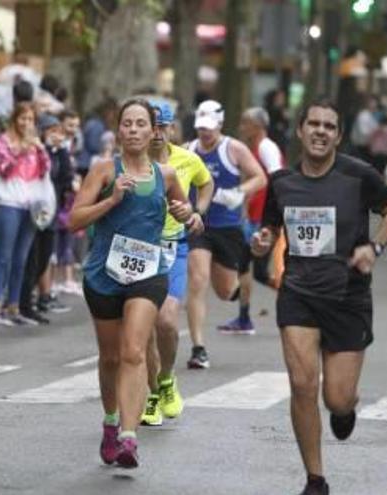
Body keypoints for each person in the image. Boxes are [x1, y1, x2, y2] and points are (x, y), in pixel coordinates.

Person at [251, 99, 387, 495]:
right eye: (314, 124)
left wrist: (375, 248)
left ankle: (345, 407)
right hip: (298, 293)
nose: (321, 131)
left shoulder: (359, 176)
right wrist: (263, 241)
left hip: (347, 296)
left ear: (338, 135)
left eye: (329, 126)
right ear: (300, 131)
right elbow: (268, 228)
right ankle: (315, 479)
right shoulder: (282, 181)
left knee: (335, 398)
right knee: (303, 386)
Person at [68, 98, 193, 468]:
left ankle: (128, 436)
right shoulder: (104, 171)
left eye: (142, 124)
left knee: (134, 352)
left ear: (154, 131)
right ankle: (110, 422)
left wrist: (190, 216)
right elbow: (74, 220)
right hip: (104, 275)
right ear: (118, 130)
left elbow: (184, 212)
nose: (135, 130)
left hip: (148, 273)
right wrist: (112, 199)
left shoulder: (166, 175)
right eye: (128, 124)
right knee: (109, 358)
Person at [140, 100, 213, 426]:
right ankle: (153, 394)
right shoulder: (132, 160)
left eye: (162, 127)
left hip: (174, 248)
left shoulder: (187, 159)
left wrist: (199, 210)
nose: (156, 133)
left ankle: (167, 379)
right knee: (144, 330)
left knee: (167, 322)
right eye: (151, 126)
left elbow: (206, 181)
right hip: (139, 248)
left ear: (171, 129)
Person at [185, 99, 266, 369]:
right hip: (200, 225)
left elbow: (260, 177)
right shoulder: (189, 150)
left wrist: (239, 192)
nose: (204, 133)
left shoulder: (233, 148)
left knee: (224, 290)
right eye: (200, 128)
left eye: (209, 127)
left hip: (228, 228)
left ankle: (237, 287)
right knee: (197, 279)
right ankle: (198, 348)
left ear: (220, 124)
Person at [217, 107, 283, 334]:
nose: (241, 127)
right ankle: (244, 318)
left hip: (262, 220)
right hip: (253, 217)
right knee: (247, 266)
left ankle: (297, 298)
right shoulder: (253, 148)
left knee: (255, 270)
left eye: (246, 123)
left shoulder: (266, 147)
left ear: (258, 126)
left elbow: (277, 179)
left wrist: (273, 216)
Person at [0, 102, 50, 326]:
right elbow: (2, 168)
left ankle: (14, 307)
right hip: (9, 203)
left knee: (21, 259)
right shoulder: (4, 141)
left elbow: (45, 169)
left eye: (30, 119)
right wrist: (19, 150)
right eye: (22, 119)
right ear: (15, 119)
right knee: (4, 256)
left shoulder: (35, 144)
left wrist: (40, 149)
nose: (26, 123)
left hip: (31, 206)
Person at [17, 113, 73, 324]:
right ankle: (23, 302)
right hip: (33, 209)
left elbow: (66, 178)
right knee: (31, 258)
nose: (56, 135)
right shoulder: (37, 150)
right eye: (51, 131)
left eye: (58, 131)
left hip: (51, 210)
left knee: (43, 258)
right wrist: (48, 149)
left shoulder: (60, 152)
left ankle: (28, 300)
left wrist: (62, 151)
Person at [349, 95, 379, 163]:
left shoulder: (370, 116)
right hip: (362, 146)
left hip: (367, 145)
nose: (375, 106)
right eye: (373, 103)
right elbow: (365, 132)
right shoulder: (364, 115)